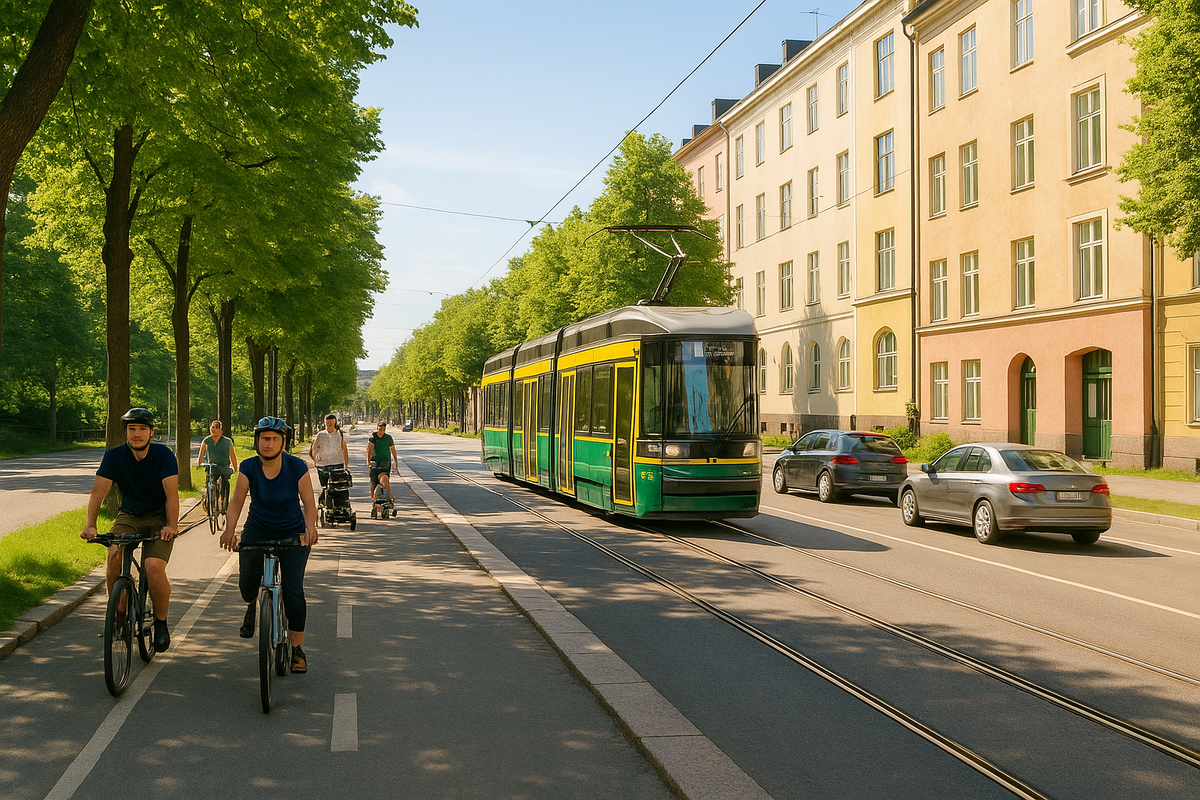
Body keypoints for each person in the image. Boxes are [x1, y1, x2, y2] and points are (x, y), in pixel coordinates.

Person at [221, 416, 318, 673]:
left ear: (283, 442)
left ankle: (297, 649)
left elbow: (309, 503)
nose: (268, 443)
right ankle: (252, 604)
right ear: (257, 441)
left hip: (292, 531)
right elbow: (237, 501)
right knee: (246, 586)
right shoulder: (249, 466)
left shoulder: (297, 467)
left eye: (274, 439)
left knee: (293, 589)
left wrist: (311, 529)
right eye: (264, 438)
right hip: (258, 529)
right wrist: (230, 530)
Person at [80, 407, 179, 652]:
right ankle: (120, 616)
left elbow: (171, 494)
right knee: (114, 554)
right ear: (125, 432)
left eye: (142, 429)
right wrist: (90, 524)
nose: (136, 434)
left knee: (153, 567)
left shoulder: (164, 455)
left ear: (151, 432)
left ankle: (161, 623)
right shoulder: (114, 456)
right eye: (131, 429)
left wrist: (171, 525)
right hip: (129, 515)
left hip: (159, 517)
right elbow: (97, 493)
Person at [197, 419, 238, 513]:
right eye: (212, 427)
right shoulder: (206, 440)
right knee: (210, 483)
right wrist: (200, 464)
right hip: (212, 467)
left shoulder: (227, 441)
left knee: (225, 483)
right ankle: (208, 502)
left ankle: (224, 505)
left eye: (216, 427)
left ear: (220, 430)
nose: (213, 429)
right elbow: (201, 455)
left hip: (224, 467)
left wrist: (235, 469)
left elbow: (232, 456)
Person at [310, 413, 350, 505]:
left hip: (337, 464)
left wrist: (346, 464)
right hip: (323, 465)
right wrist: (315, 460)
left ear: (334, 422)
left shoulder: (340, 434)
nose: (328, 426)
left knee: (337, 487)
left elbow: (344, 448)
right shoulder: (320, 435)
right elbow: (314, 447)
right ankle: (324, 502)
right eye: (327, 424)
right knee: (325, 487)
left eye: (330, 424)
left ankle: (338, 504)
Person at [367, 421, 398, 509]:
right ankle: (376, 504)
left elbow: (393, 450)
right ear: (377, 428)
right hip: (374, 463)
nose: (381, 429)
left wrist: (396, 463)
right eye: (380, 427)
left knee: (384, 481)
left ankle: (390, 498)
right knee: (373, 485)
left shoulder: (388, 438)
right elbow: (369, 450)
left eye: (383, 428)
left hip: (385, 463)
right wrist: (368, 463)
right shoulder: (373, 438)